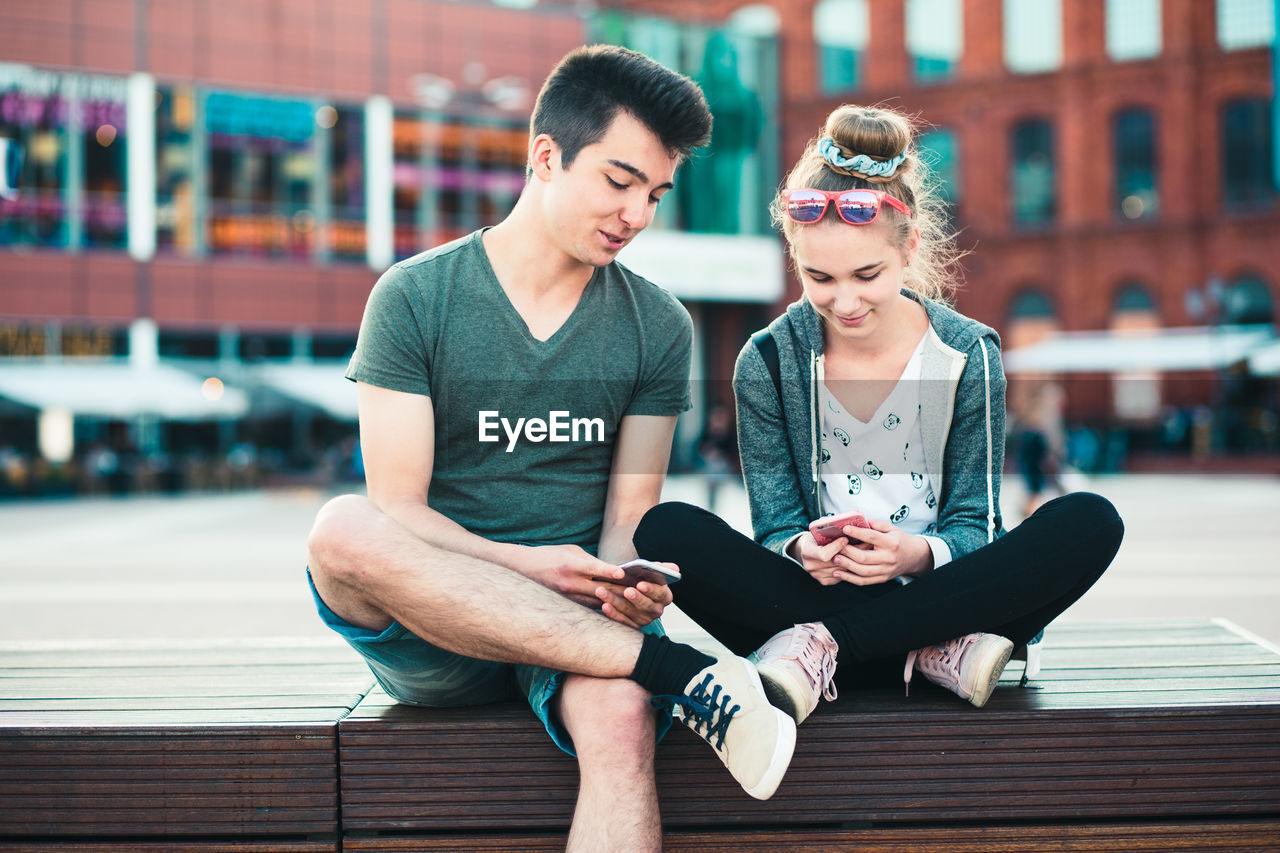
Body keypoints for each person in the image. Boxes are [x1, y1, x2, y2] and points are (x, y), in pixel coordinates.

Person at [303, 46, 795, 853]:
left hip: (585, 621)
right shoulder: (414, 297)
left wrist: (628, 586)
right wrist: (535, 566)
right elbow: (399, 512)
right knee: (341, 529)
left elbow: (627, 518)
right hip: (435, 629)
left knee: (623, 726)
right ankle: (682, 676)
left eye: (655, 194)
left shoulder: (658, 326)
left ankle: (655, 672)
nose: (637, 213)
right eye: (619, 180)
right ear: (545, 156)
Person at [633, 104, 1124, 725]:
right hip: (825, 596)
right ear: (794, 258)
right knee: (668, 530)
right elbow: (775, 524)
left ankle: (830, 651)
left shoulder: (967, 353)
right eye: (819, 277)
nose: (844, 301)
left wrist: (914, 556)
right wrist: (800, 550)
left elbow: (978, 522)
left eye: (867, 274)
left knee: (1089, 521)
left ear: (910, 244)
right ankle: (933, 656)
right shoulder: (767, 360)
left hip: (943, 594)